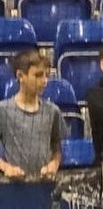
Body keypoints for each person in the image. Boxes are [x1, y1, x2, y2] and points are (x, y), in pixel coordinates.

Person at [0, 50, 66, 179]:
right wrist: (6, 167)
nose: (44, 81)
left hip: (44, 186)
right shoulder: (3, 110)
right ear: (20, 76)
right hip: (14, 187)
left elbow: (57, 148)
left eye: (47, 75)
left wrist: (54, 164)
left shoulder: (53, 111)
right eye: (38, 75)